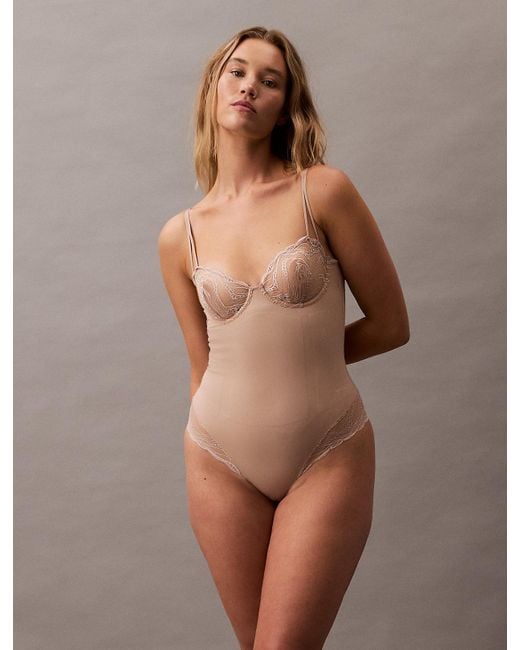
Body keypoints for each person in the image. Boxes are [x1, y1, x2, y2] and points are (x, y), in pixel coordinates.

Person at [158, 25, 410, 650]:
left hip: (327, 449)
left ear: (284, 107)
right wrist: (210, 433)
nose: (250, 86)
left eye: (269, 81)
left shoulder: (322, 192)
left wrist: (305, 355)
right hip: (218, 459)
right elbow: (202, 365)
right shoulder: (179, 236)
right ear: (213, 88)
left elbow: (391, 324)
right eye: (238, 71)